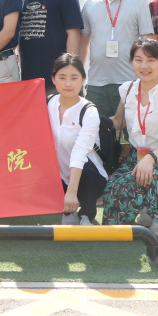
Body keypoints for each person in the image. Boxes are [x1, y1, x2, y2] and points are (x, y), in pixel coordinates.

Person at [102, 39, 158, 238]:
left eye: (151, 60)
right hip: (135, 158)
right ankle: (143, 210)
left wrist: (151, 159)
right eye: (138, 60)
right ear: (131, 62)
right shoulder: (127, 89)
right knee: (115, 185)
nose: (144, 66)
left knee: (155, 178)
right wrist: (94, 121)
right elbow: (118, 121)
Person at [81, 0, 155, 116]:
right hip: (96, 83)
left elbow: (147, 43)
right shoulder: (90, 2)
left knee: (131, 130)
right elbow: (83, 42)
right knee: (97, 130)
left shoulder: (138, 2)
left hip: (130, 82)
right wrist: (78, 76)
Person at [48, 54, 110, 226]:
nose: (68, 83)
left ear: (83, 80)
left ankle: (87, 215)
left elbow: (79, 152)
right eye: (62, 77)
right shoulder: (49, 103)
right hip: (58, 173)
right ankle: (67, 211)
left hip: (88, 176)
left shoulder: (89, 111)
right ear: (53, 79)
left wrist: (71, 192)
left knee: (86, 167)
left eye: (74, 78)